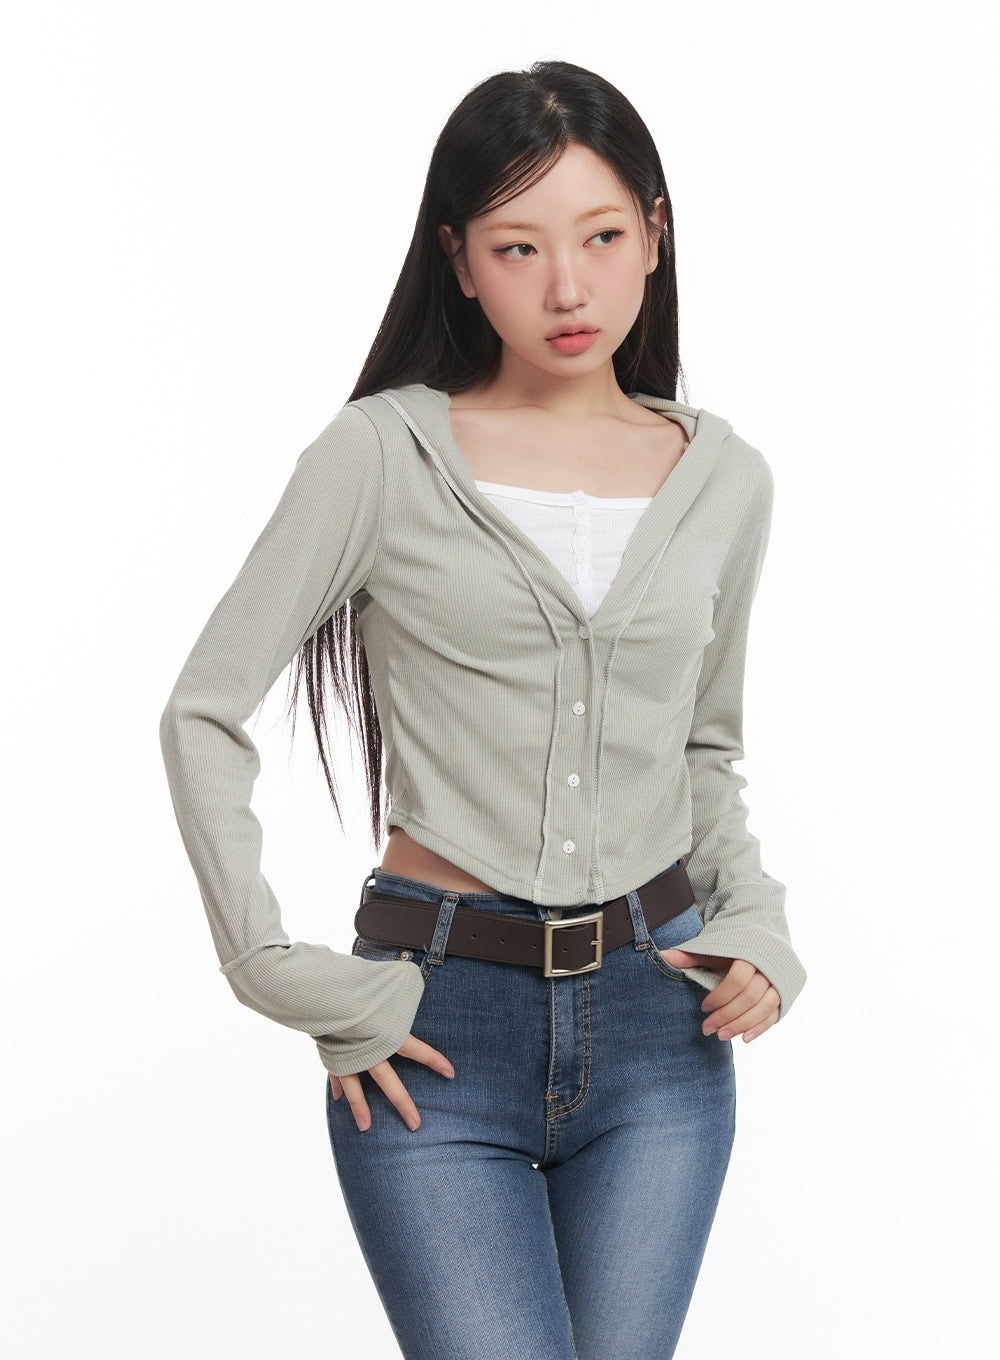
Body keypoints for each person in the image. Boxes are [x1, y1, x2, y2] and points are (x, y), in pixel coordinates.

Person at [159, 58, 807, 1360]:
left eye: (602, 237)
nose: (567, 288)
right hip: (433, 1026)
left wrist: (757, 925)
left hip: (662, 1029)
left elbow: (704, 747)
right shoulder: (380, 455)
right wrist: (274, 968)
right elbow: (203, 713)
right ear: (458, 261)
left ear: (654, 236)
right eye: (518, 247)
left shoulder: (726, 477)